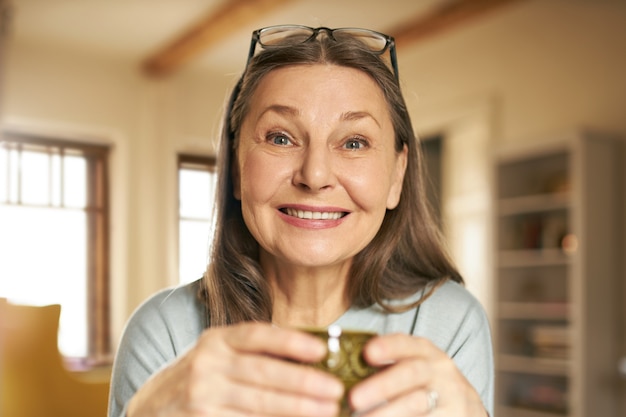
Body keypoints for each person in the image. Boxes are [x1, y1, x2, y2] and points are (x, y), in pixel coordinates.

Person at [109, 25, 493, 417]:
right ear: (237, 169)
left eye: (354, 142)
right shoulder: (163, 332)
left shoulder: (453, 322)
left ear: (397, 176)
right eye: (280, 138)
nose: (314, 175)